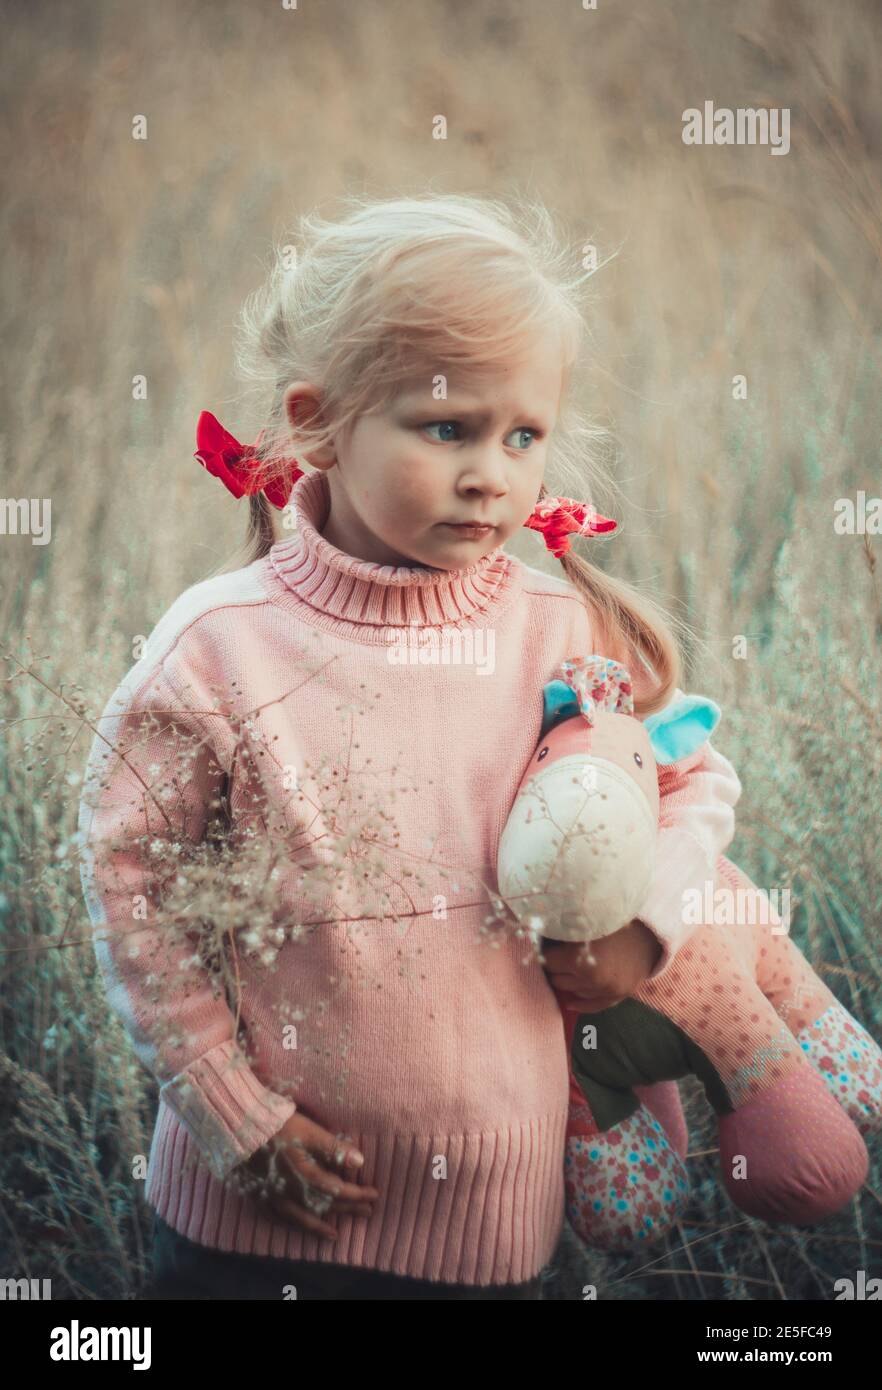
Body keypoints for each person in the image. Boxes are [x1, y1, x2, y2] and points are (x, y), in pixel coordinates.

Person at [77, 192, 743, 1300]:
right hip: (250, 1224)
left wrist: (648, 925)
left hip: (492, 1226)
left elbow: (687, 780)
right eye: (448, 429)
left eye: (522, 435)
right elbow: (130, 878)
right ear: (321, 422)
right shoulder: (219, 648)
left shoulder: (556, 633)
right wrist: (226, 1108)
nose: (493, 472)